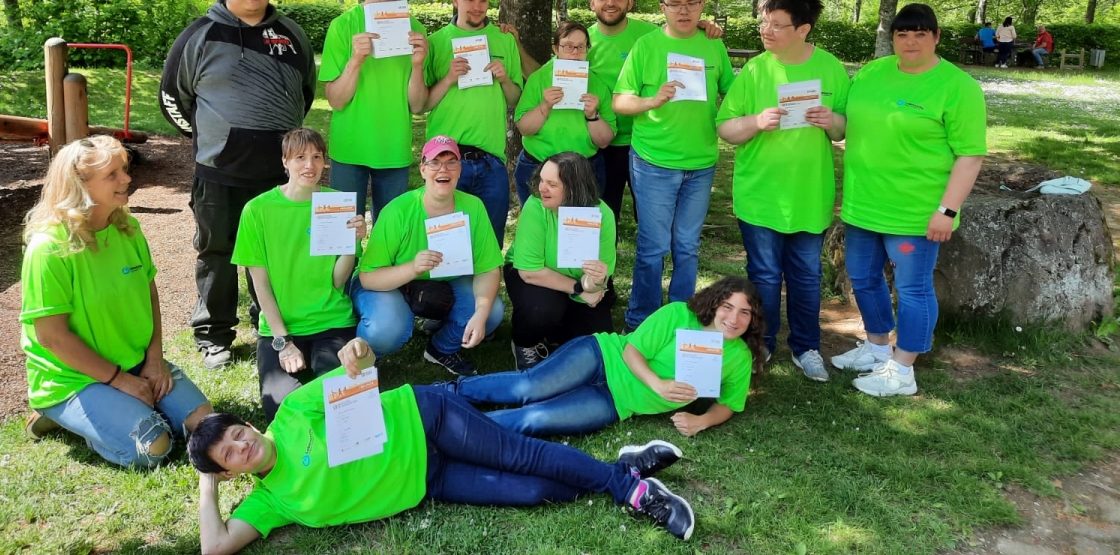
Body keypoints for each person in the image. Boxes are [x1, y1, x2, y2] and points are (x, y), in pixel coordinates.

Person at [189, 339, 697, 554]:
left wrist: (358, 354)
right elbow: (214, 546)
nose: (241, 445)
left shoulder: (294, 413)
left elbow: (361, 371)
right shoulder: (269, 503)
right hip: (427, 482)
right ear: (229, 473)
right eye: (228, 455)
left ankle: (629, 491)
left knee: (523, 453)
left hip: (425, 419)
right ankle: (623, 467)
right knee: (534, 491)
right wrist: (205, 488)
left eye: (236, 433)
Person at [161, 0, 316, 369]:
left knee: (275, 251)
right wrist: (211, 139)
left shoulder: (292, 34)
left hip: (277, 173)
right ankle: (214, 335)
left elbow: (305, 93)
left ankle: (271, 320)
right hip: (220, 171)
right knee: (218, 250)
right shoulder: (201, 34)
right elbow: (172, 98)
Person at [20, 136, 213, 467]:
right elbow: (52, 337)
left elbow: (148, 296)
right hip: (75, 377)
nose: (126, 179)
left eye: (124, 170)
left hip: (136, 362)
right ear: (79, 185)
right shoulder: (48, 248)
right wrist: (119, 381)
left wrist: (154, 360)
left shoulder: (129, 229)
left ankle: (109, 411)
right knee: (154, 447)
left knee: (204, 422)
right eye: (113, 175)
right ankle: (60, 411)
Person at [831, 3, 986, 397]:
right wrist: (824, 120)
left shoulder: (957, 86)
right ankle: (878, 347)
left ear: (935, 37)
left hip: (914, 214)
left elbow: (971, 155)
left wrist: (946, 210)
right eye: (903, 34)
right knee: (864, 280)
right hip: (864, 205)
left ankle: (903, 370)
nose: (911, 41)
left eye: (920, 33)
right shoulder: (871, 74)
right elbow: (850, 124)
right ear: (892, 38)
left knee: (913, 288)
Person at [715, 0, 850, 383]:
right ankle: (762, 342)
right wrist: (755, 122)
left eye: (777, 25)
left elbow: (846, 128)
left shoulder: (830, 69)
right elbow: (725, 127)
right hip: (760, 193)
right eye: (764, 23)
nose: (766, 31)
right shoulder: (756, 69)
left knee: (807, 274)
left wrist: (833, 123)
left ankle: (807, 347)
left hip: (809, 193)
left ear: (804, 28)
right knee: (765, 275)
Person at [439, 276, 765, 438]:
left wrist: (701, 421)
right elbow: (631, 350)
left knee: (535, 419)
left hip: (617, 402)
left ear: (753, 319)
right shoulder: (679, 314)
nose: (734, 319)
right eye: (728, 308)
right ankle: (446, 395)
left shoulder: (738, 357)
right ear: (715, 303)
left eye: (744, 313)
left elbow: (730, 404)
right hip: (602, 356)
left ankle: (453, 432)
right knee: (528, 388)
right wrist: (659, 385)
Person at [613, 0, 735, 332]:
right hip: (654, 162)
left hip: (701, 163)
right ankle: (643, 322)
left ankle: (683, 321)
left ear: (702, 6)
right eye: (676, 4)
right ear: (662, 7)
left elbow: (733, 91)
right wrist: (653, 99)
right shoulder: (647, 46)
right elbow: (620, 101)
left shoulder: (713, 45)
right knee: (653, 247)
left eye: (691, 3)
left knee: (687, 246)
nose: (684, 11)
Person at [231, 128, 365, 422]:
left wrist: (352, 244)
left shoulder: (337, 205)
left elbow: (337, 281)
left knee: (345, 405)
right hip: (281, 328)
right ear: (285, 161)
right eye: (300, 157)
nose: (310, 165)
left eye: (317, 157)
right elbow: (260, 284)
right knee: (282, 413)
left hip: (332, 321)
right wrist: (283, 341)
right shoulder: (257, 211)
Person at [352, 136, 505, 376]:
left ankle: (441, 348)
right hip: (388, 282)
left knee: (491, 312)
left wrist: (481, 312)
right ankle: (363, 359)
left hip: (445, 279)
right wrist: (413, 267)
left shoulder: (473, 206)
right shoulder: (398, 211)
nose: (443, 169)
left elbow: (488, 268)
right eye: (435, 162)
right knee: (386, 329)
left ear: (459, 169)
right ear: (423, 169)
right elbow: (368, 278)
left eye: (451, 162)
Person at [587, 0, 725, 225]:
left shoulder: (647, 36)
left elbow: (681, 28)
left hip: (646, 144)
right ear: (592, 1)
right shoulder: (581, 40)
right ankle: (604, 265)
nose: (611, 3)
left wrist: (704, 25)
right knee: (603, 217)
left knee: (652, 222)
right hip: (601, 142)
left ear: (630, 1)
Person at [320, 0, 428, 221]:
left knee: (390, 235)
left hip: (394, 147)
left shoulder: (415, 29)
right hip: (350, 147)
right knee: (344, 236)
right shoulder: (343, 26)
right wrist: (355, 61)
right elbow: (336, 100)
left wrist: (417, 65)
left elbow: (417, 105)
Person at [424, 0, 523, 247]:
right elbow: (422, 105)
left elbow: (517, 99)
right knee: (445, 243)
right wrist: (447, 78)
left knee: (490, 242)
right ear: (455, 0)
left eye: (483, 0)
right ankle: (445, 291)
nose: (477, 6)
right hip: (447, 158)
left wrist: (504, 79)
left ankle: (486, 291)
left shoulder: (503, 40)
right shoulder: (436, 42)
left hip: (491, 161)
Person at [506, 152, 617, 369]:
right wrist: (579, 289)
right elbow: (529, 272)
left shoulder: (601, 213)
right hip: (535, 276)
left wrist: (593, 282)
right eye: (541, 180)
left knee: (597, 344)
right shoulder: (536, 206)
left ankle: (557, 331)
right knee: (540, 311)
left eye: (551, 184)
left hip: (579, 281)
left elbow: (597, 282)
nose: (541, 188)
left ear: (574, 187)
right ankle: (524, 344)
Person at [513, 21, 615, 207]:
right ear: (556, 49)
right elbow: (524, 129)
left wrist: (593, 115)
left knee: (578, 229)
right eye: (568, 46)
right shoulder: (539, 79)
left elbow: (604, 140)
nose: (575, 52)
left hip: (584, 169)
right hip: (538, 165)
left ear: (587, 49)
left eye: (580, 46)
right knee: (539, 228)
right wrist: (545, 106)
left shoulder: (597, 84)